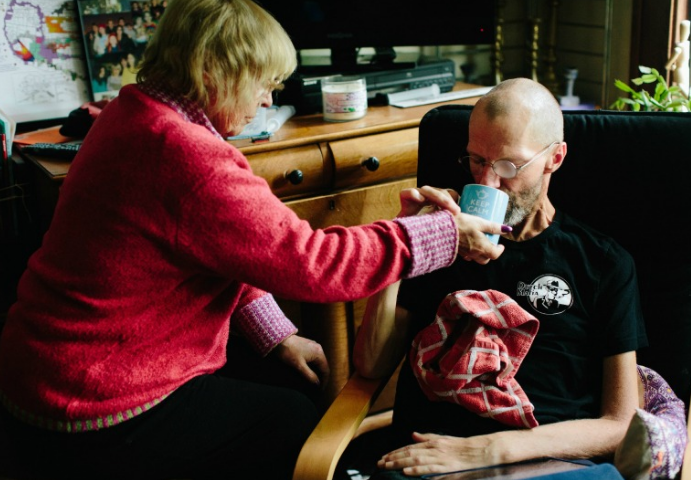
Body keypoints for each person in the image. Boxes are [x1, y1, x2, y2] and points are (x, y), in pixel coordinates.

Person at [0, 1, 507, 479]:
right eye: (263, 84)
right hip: (93, 403)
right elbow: (318, 264)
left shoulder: (130, 114)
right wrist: (445, 232)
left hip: (44, 373)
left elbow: (219, 245)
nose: (269, 99)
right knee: (290, 416)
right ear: (209, 74)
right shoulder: (186, 155)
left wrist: (275, 332)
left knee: (286, 378)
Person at [353, 78, 648, 478]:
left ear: (554, 158)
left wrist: (488, 450)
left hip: (551, 467)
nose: (487, 182)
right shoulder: (439, 238)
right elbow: (371, 366)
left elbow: (618, 422)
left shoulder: (602, 263)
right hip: (429, 460)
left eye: (509, 166)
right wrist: (404, 239)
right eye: (476, 161)